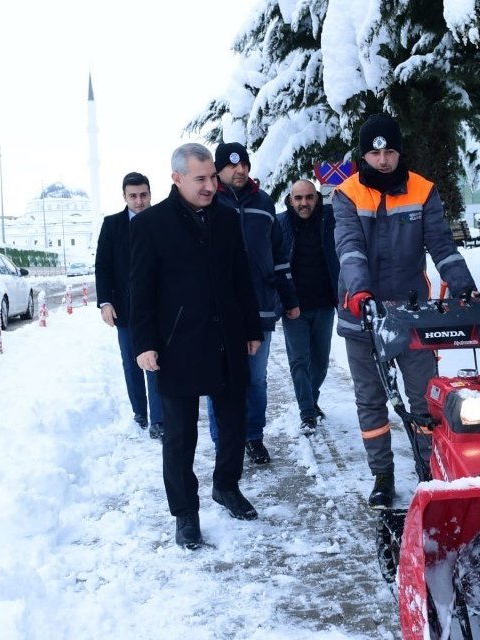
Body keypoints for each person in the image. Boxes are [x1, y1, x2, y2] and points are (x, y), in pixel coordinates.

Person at [333, 113, 478, 509]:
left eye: (391, 151)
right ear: (365, 154)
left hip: (413, 317)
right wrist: (360, 293)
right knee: (371, 399)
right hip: (361, 315)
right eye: (376, 152)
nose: (383, 160)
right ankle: (382, 474)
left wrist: (465, 288)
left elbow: (442, 245)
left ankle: (428, 469)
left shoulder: (422, 190)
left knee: (424, 398)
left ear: (400, 153)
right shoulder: (347, 194)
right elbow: (349, 248)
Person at [130, 143, 264, 550]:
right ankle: (185, 513)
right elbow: (141, 290)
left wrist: (252, 328)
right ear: (177, 178)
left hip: (226, 339)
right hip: (177, 344)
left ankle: (226, 486)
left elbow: (242, 277)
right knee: (181, 435)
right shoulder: (151, 224)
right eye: (201, 179)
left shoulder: (225, 218)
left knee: (233, 422)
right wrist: (145, 343)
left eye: (212, 177)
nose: (210, 186)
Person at [208, 141, 300, 465]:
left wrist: (289, 299)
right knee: (219, 380)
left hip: (260, 308)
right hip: (218, 311)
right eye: (232, 165)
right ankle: (223, 442)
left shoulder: (264, 203)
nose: (239, 170)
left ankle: (253, 437)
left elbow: (279, 257)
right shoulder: (208, 201)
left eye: (243, 164)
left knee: (255, 379)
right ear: (218, 170)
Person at [95, 172, 163, 439]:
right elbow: (103, 265)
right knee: (131, 362)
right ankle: (141, 411)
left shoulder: (160, 221)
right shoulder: (112, 225)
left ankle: (159, 419)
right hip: (124, 309)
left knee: (155, 361)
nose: (139, 201)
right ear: (124, 197)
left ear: (150, 194)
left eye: (143, 195)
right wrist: (105, 303)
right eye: (133, 196)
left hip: (157, 307)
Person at [277, 180, 339, 437]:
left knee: (321, 362)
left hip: (324, 304)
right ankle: (307, 413)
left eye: (309, 197)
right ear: (290, 200)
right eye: (298, 198)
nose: (304, 203)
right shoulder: (280, 224)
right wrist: (283, 299)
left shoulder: (329, 220)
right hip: (294, 307)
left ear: (317, 198)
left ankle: (310, 398)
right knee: (299, 360)